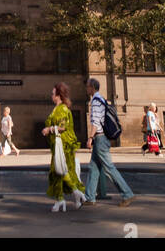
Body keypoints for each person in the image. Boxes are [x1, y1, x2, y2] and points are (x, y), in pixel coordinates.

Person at [82, 77, 134, 207]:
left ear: (92, 88)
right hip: (102, 138)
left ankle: (127, 194)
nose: (86, 88)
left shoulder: (95, 101)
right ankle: (89, 197)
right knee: (93, 167)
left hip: (99, 138)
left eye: (87, 86)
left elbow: (96, 121)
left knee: (109, 168)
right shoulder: (101, 99)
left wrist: (90, 138)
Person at [42, 82, 85, 211]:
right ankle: (61, 199)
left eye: (53, 93)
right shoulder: (57, 108)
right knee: (57, 173)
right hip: (58, 145)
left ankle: (75, 192)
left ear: (58, 95)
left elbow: (63, 127)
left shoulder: (62, 109)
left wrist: (49, 129)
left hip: (64, 145)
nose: (51, 95)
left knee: (61, 170)